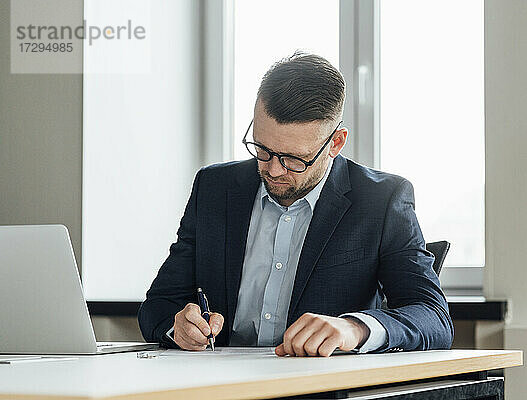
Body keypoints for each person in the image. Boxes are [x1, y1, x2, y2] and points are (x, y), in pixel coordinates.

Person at [138, 52, 453, 357]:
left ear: (336, 142)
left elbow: (433, 318)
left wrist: (353, 329)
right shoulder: (214, 188)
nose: (273, 170)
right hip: (216, 385)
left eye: (293, 159)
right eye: (262, 149)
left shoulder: (382, 200)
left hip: (320, 390)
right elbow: (158, 306)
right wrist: (177, 327)